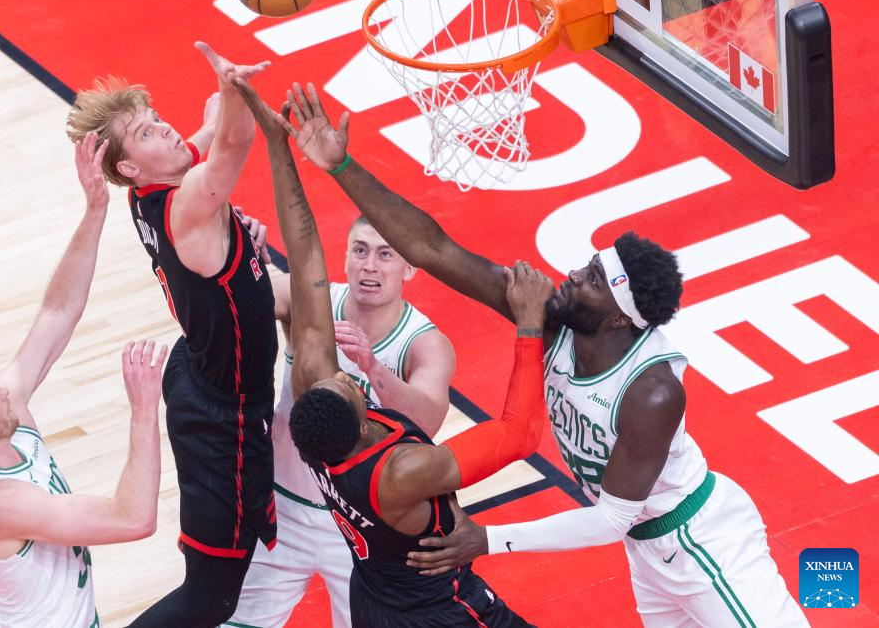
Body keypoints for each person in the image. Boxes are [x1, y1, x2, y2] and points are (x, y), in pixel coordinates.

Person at [275, 82, 808, 627]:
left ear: (619, 317)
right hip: (648, 552)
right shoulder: (552, 317)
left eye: (593, 279)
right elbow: (434, 249)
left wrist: (490, 538)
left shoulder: (652, 391)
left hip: (698, 540)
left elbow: (611, 519)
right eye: (588, 265)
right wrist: (342, 167)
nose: (573, 274)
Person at [230, 75, 551, 627]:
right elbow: (519, 434)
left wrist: (278, 147)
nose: (343, 376)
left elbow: (305, 257)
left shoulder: (322, 416)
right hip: (431, 610)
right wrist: (529, 328)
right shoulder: (399, 473)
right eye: (348, 385)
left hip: (371, 588)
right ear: (360, 421)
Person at [0, 133, 165, 628]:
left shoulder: (5, 424)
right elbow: (133, 518)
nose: (4, 388)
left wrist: (94, 211)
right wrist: (142, 408)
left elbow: (58, 310)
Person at [65, 43, 278, 627]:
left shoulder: (151, 190)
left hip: (197, 371)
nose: (164, 129)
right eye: (146, 132)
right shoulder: (188, 207)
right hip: (223, 418)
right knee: (211, 597)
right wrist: (233, 90)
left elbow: (207, 135)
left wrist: (215, 111)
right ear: (130, 169)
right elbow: (233, 144)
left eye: (156, 118)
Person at [228, 216, 456, 628]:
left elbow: (427, 422)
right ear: (346, 256)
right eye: (360, 250)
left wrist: (372, 367)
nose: (370, 265)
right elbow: (228, 296)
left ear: (410, 267)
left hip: (363, 526)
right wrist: (237, 249)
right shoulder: (309, 301)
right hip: (283, 509)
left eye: (385, 254)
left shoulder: (424, 343)